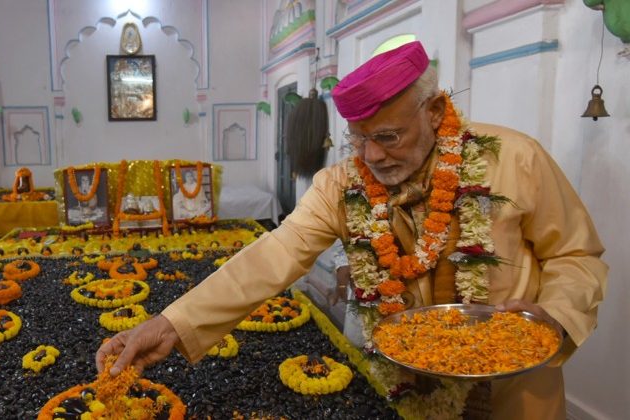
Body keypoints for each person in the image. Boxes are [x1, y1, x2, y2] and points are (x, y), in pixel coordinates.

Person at [96, 42, 607, 419]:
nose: (372, 156)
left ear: (434, 111)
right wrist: (169, 324)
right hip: (406, 389)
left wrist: (557, 315)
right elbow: (272, 256)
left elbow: (576, 254)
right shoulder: (341, 185)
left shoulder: (514, 159)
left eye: (388, 136)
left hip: (517, 389)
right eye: (358, 139)